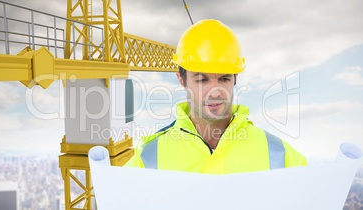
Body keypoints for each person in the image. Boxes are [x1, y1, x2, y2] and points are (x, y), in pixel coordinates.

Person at [125, 19, 307, 174]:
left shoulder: (278, 154)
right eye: (202, 80)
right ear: (181, 79)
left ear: (235, 79)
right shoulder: (148, 158)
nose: (215, 91)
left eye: (224, 79)